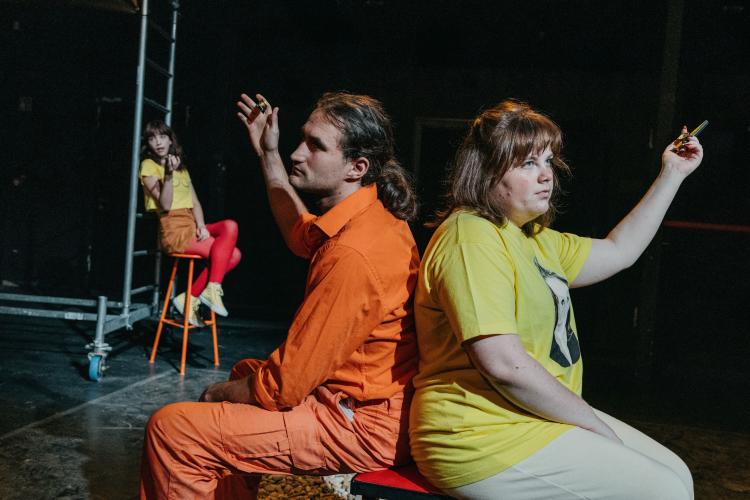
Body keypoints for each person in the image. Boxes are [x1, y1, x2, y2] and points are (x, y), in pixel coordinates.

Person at [409, 100, 703, 499]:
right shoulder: (472, 237)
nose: (546, 174)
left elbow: (619, 250)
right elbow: (504, 365)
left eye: (548, 161)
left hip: (528, 420)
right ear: (487, 171)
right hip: (478, 437)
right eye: (528, 163)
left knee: (677, 474)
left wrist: (672, 174)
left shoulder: (531, 237)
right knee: (663, 490)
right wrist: (595, 427)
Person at [139, 92, 420, 499]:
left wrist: (215, 395)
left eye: (316, 146)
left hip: (360, 425)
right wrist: (267, 154)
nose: (297, 153)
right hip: (354, 403)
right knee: (243, 374)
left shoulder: (354, 254)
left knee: (174, 430)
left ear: (356, 167)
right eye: (302, 139)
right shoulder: (365, 217)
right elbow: (297, 230)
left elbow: (284, 385)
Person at [140, 120, 241, 325]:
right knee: (232, 255)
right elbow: (165, 205)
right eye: (152, 138)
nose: (158, 142)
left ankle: (194, 295)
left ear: (170, 140)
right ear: (148, 144)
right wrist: (168, 174)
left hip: (191, 224)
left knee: (230, 226)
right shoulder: (148, 166)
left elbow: (195, 202)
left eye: (162, 137)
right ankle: (199, 294)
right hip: (173, 229)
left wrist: (201, 226)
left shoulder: (182, 169)